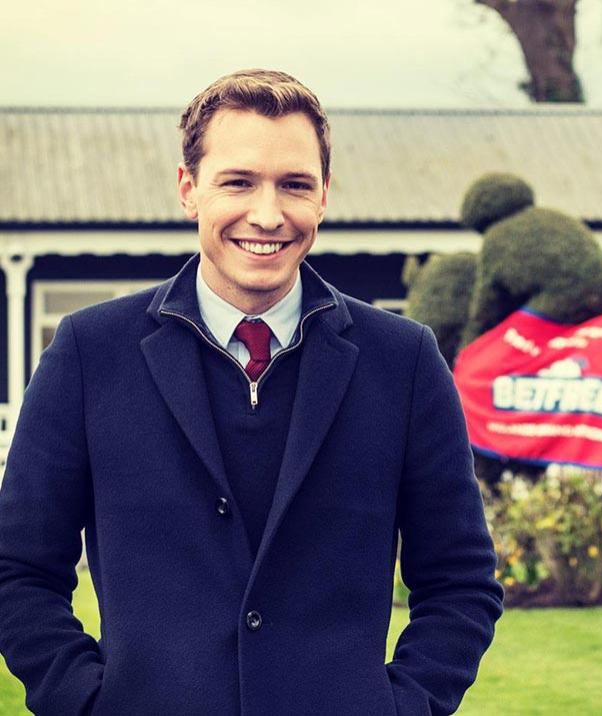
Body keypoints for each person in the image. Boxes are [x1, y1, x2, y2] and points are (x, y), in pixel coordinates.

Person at [0, 69, 503, 716]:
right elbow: (17, 571)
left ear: (324, 195)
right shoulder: (89, 353)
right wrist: (87, 703)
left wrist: (403, 707)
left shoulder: (403, 363)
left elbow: (461, 581)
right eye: (238, 182)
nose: (268, 215)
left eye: (295, 184)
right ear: (189, 189)